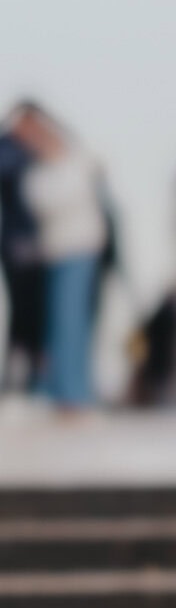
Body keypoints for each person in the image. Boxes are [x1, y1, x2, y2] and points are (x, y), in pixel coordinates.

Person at [23, 110, 109, 409]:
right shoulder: (41, 171)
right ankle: (64, 390)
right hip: (59, 252)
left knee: (72, 323)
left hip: (77, 250)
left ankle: (75, 392)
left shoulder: (72, 163)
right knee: (60, 323)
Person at [0, 105, 45, 393]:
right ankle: (17, 379)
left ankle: (29, 377)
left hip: (33, 242)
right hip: (17, 241)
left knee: (33, 313)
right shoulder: (11, 151)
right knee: (21, 310)